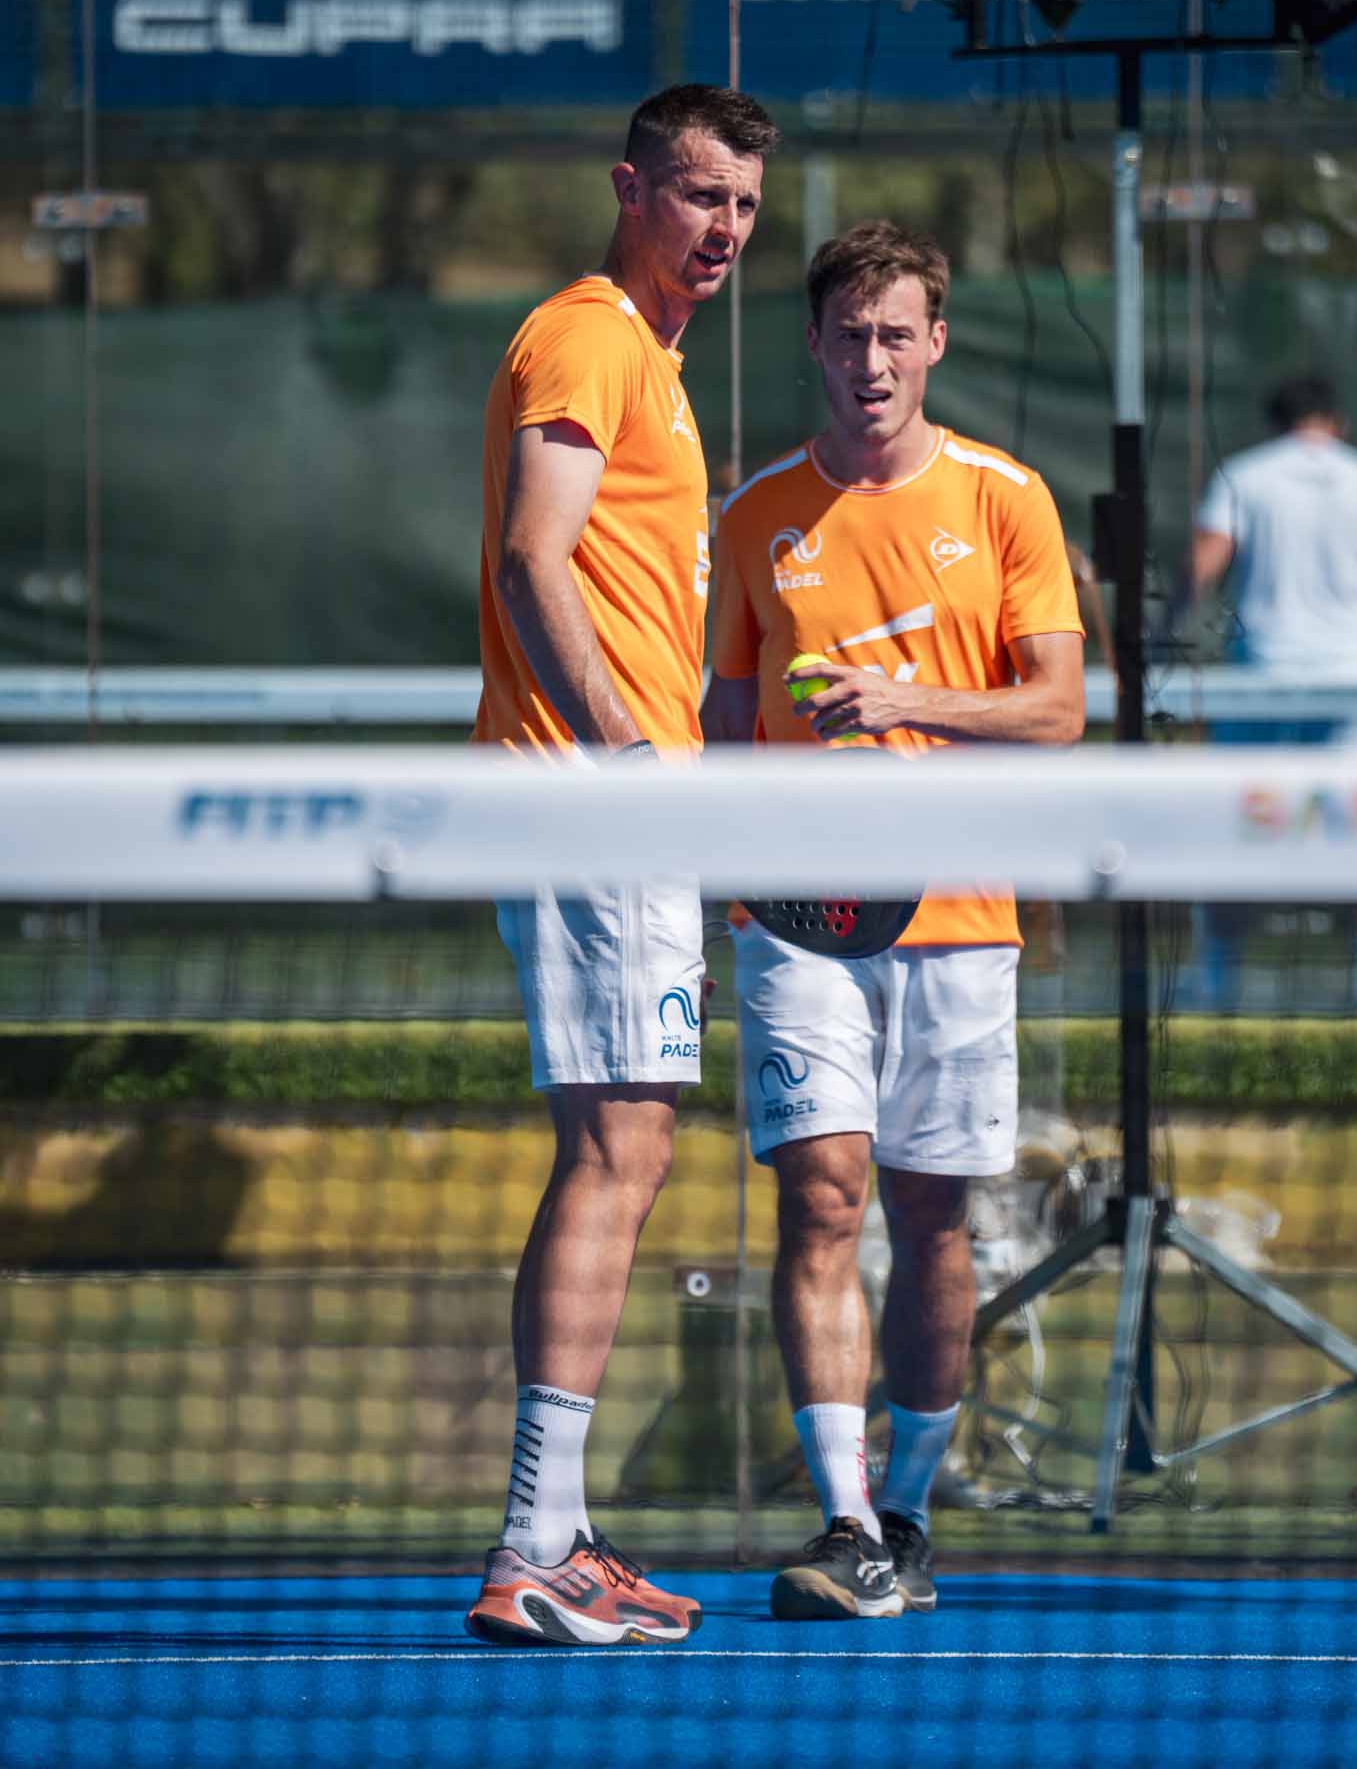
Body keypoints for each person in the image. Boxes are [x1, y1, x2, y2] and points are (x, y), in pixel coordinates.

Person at [703, 219, 1085, 1620]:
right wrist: (713, 875)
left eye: (896, 334)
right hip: (797, 917)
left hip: (963, 916)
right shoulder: (756, 513)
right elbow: (724, 724)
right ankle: (846, 1519)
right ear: (813, 342)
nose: (872, 360)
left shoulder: (1007, 499)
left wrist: (906, 700)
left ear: (935, 343)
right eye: (849, 334)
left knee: (932, 1219)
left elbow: (1057, 709)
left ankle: (909, 1515)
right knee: (821, 1197)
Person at [465, 84, 778, 1649]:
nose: (724, 228)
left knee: (629, 1148)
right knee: (616, 1149)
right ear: (631, 189)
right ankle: (532, 1549)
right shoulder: (587, 336)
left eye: (745, 205)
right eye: (701, 195)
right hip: (590, 806)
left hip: (626, 808)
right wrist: (627, 762)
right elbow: (534, 557)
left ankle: (558, 1538)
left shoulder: (652, 362)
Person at [1171, 371, 1357, 1014]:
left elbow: (1199, 567)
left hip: (1260, 685)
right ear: (1339, 423)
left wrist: (1161, 636)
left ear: (1275, 422)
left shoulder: (1245, 477)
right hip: (1354, 688)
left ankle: (1217, 979)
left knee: (1231, 828)